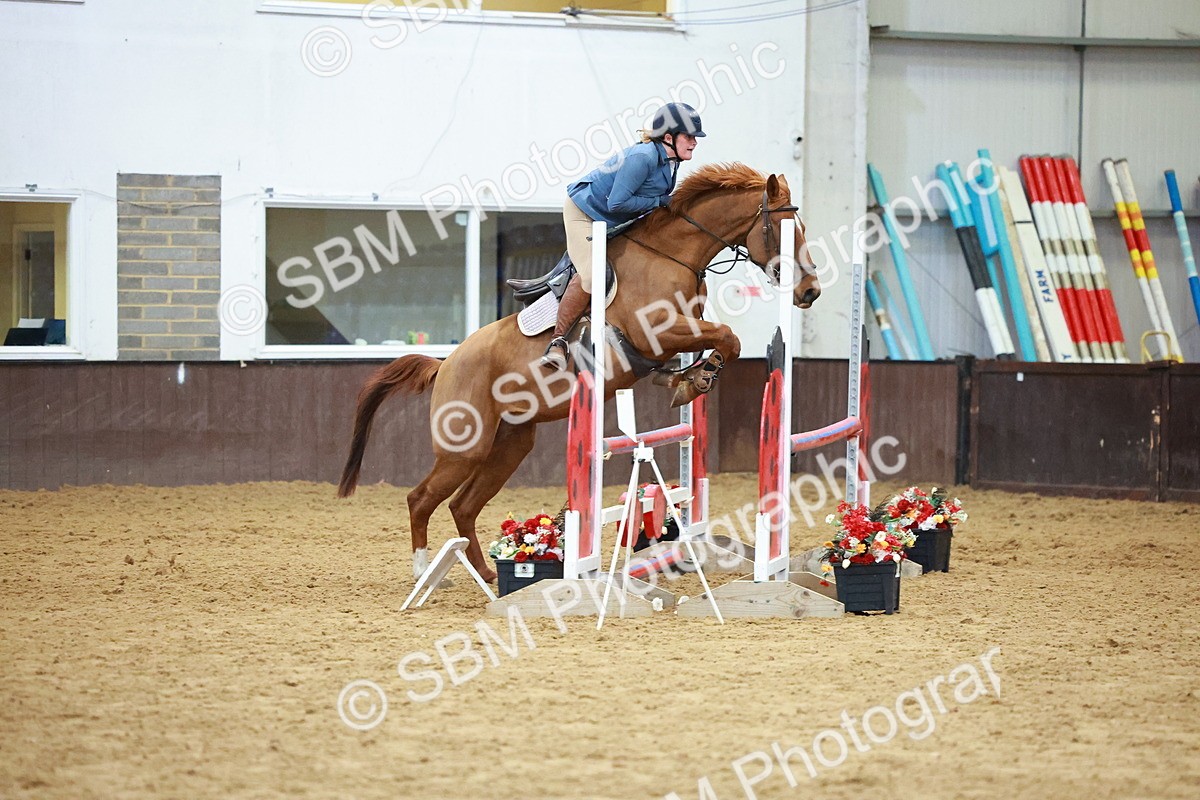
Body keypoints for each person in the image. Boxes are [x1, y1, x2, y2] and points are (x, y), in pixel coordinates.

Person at [540, 102, 705, 371]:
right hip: (585, 213)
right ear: (668, 137)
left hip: (611, 217)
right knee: (593, 275)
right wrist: (660, 201)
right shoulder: (644, 157)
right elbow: (618, 203)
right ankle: (557, 343)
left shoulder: (671, 162)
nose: (694, 143)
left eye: (695, 138)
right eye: (689, 136)